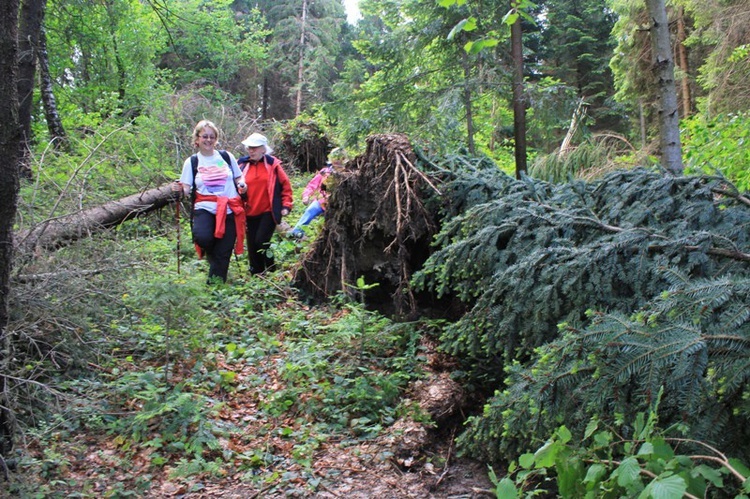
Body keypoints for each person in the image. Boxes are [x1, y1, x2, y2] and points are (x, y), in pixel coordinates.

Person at [174, 120, 247, 283]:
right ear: (197, 139)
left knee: (225, 250)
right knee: (203, 237)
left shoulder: (225, 157)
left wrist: (242, 184)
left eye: (212, 137)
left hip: (229, 208)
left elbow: (238, 176)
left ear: (216, 139)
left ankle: (215, 288)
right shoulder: (192, 162)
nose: (208, 140)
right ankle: (213, 258)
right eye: (205, 136)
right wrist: (179, 189)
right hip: (204, 207)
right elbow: (186, 188)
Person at [238, 132, 293, 275]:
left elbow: (285, 186)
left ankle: (270, 269)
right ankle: (257, 274)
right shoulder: (242, 165)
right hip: (249, 211)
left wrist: (286, 205)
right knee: (251, 245)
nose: (251, 150)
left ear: (263, 149)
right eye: (249, 147)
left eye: (255, 147)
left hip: (268, 211)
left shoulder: (273, 165)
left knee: (261, 241)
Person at [289, 147, 346, 239]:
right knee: (310, 210)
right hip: (322, 201)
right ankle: (296, 232)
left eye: (339, 158)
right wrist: (306, 196)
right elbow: (312, 185)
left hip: (338, 204)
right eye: (335, 158)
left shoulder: (347, 173)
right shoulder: (325, 171)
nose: (337, 161)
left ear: (343, 159)